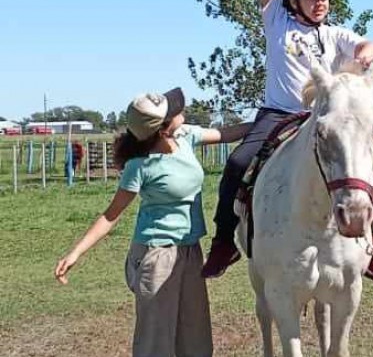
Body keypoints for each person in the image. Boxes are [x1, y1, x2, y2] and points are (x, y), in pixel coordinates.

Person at [201, 0, 373, 290]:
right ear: (292, 0)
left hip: (320, 117)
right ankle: (224, 241)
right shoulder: (277, 21)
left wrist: (364, 56)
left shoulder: (335, 33)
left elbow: (371, 44)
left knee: (368, 171)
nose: (320, 3)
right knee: (238, 163)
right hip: (278, 115)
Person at [55, 87, 252, 357]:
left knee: (195, 339)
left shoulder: (185, 137)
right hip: (156, 256)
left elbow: (230, 133)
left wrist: (277, 119)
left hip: (190, 249)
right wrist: (75, 253)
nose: (180, 110)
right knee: (155, 342)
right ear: (162, 128)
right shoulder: (141, 165)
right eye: (174, 111)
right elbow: (111, 215)